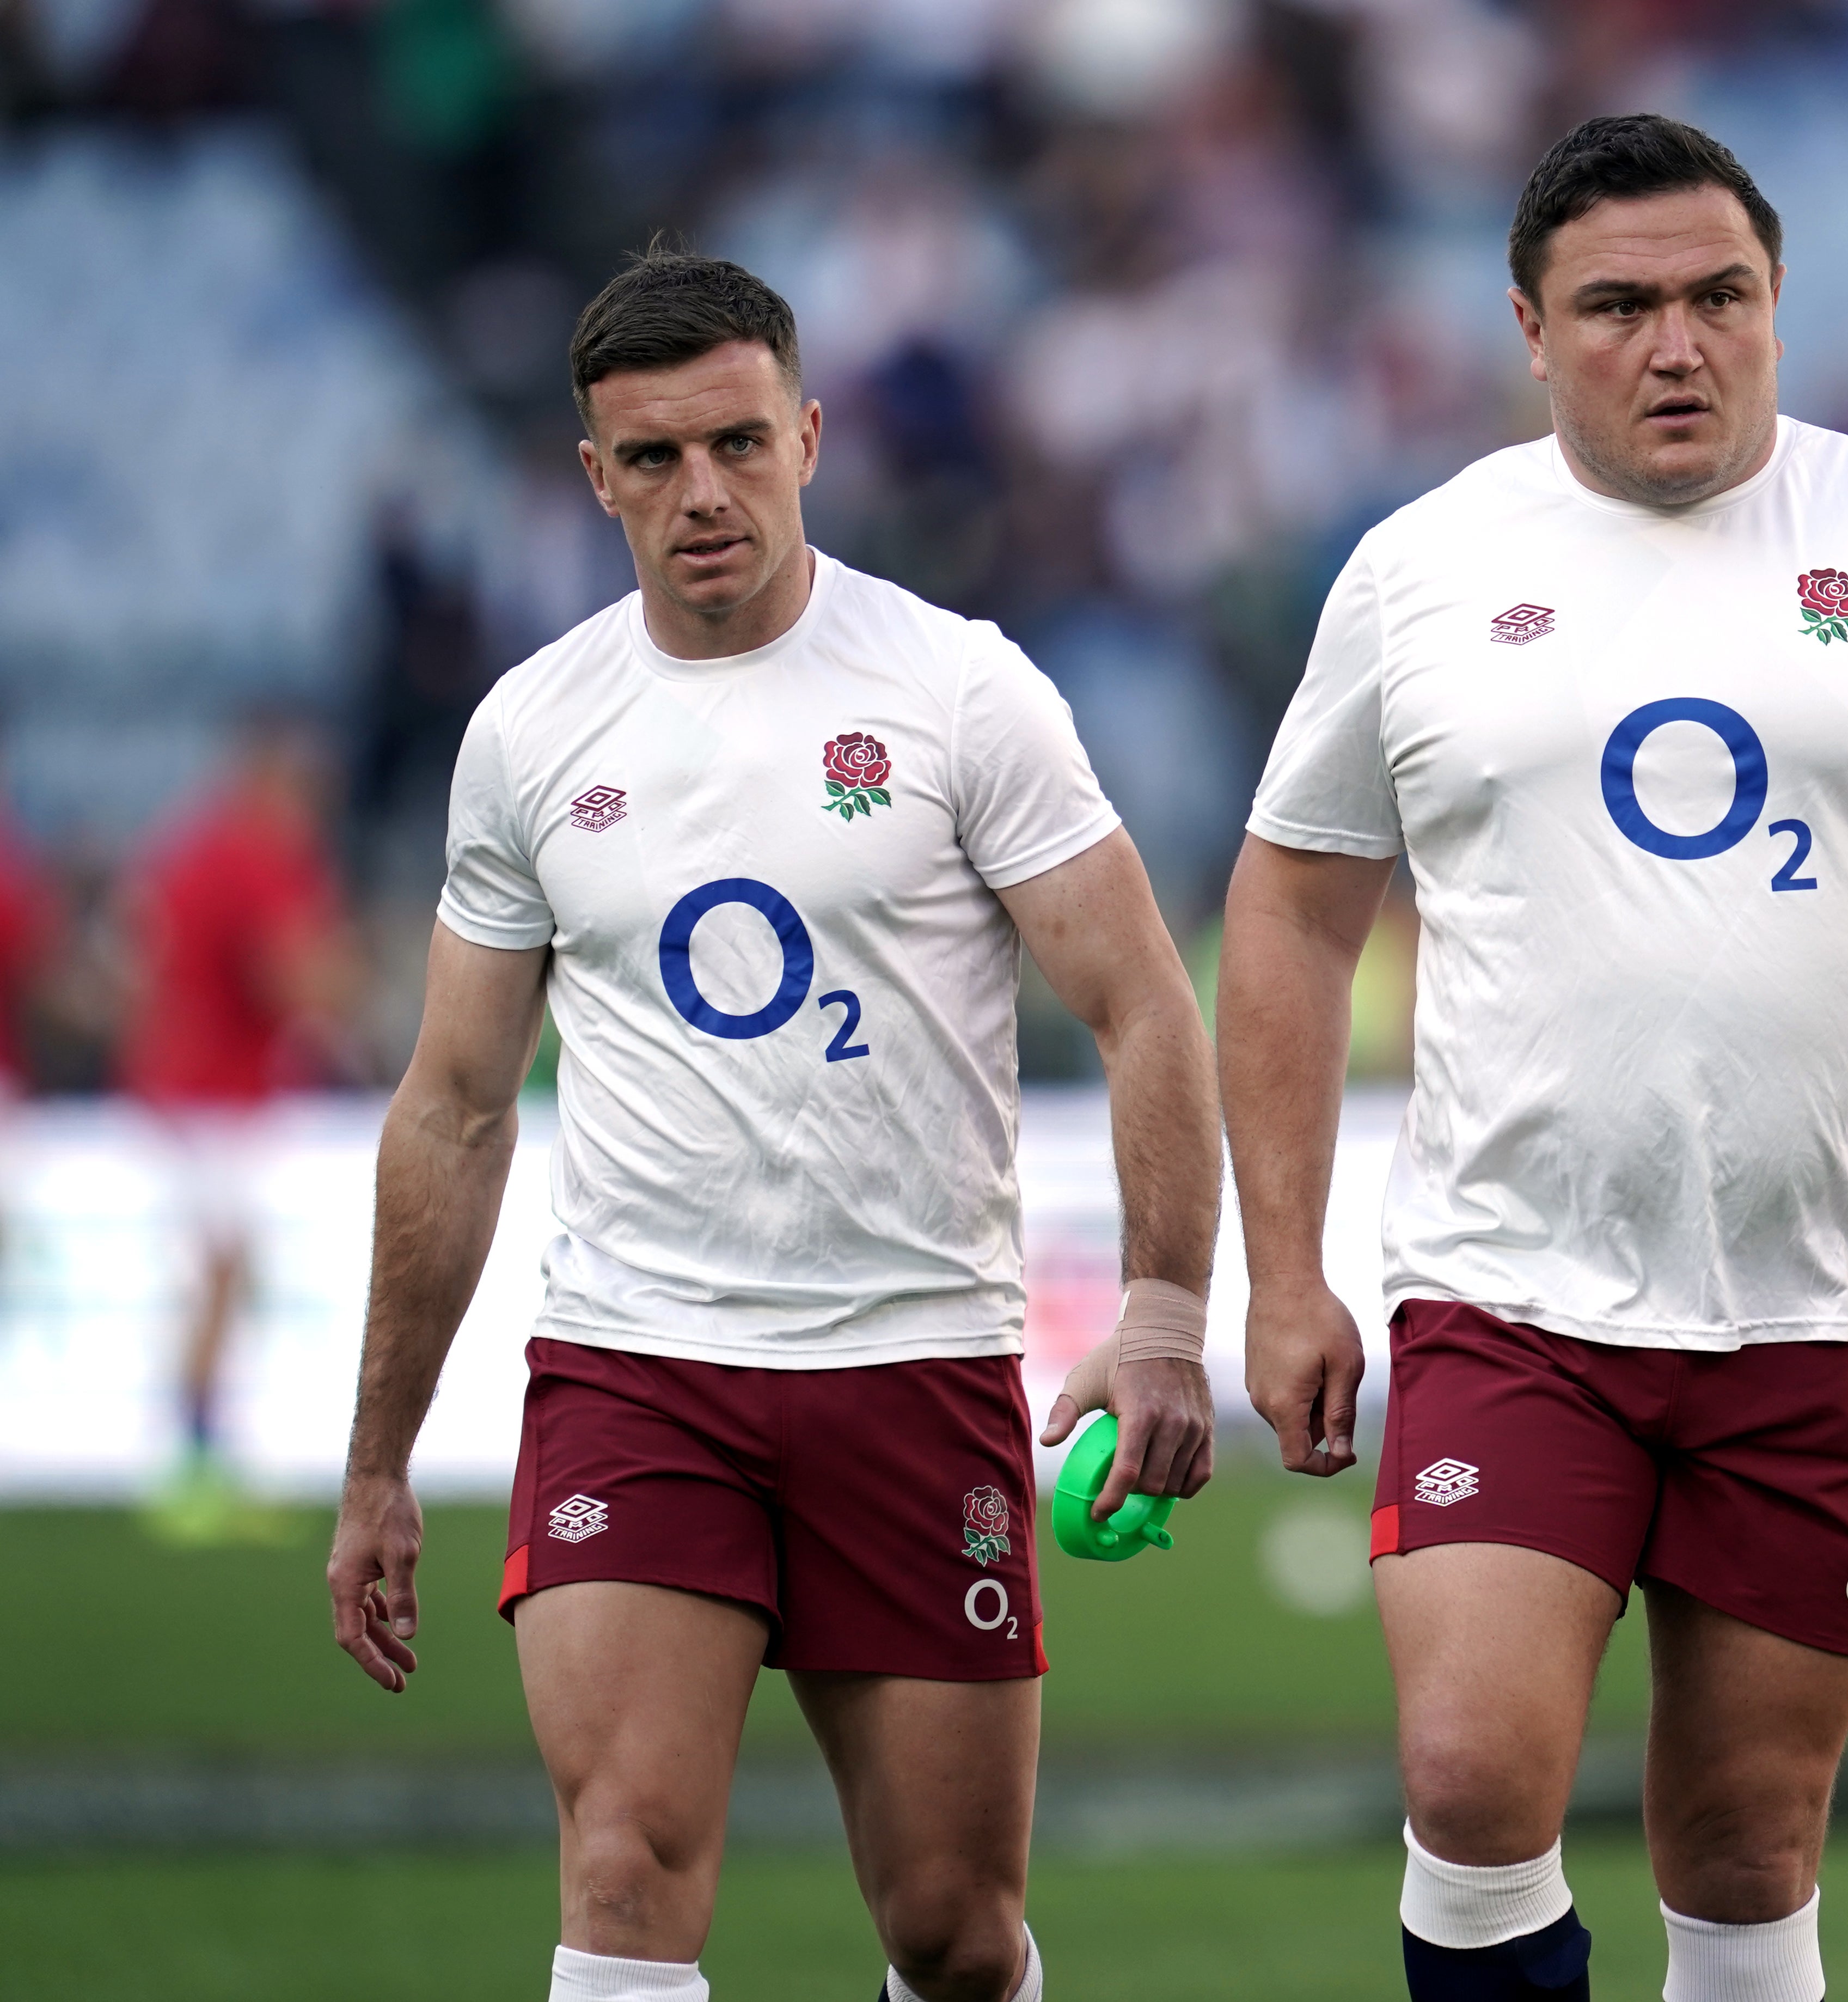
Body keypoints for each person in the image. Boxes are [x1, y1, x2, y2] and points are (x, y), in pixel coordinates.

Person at [1219, 116, 1848, 2002]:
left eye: (1716, 297)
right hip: (1513, 1291)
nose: (1675, 342)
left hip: (1823, 1300)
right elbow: (1291, 905)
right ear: (1528, 327)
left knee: (1746, 1845)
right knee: (1472, 1772)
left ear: (1776, 305)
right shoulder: (1422, 570)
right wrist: (1283, 1262)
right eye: (1620, 306)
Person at [322, 252, 1222, 2002]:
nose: (702, 492)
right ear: (595, 477)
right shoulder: (528, 734)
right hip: (638, 1368)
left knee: (955, 1936)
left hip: (914, 1364)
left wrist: (1170, 1316)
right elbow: (451, 1106)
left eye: (739, 442)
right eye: (651, 460)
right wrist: (377, 1459)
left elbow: (1142, 1007)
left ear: (809, 437)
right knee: (624, 1862)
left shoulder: (962, 692)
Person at [121, 713, 360, 1545]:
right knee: (223, 1275)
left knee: (222, 1274)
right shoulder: (259, 857)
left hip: (182, 1084)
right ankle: (192, 1465)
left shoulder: (192, 846)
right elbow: (291, 975)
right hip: (216, 1095)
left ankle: (204, 1453)